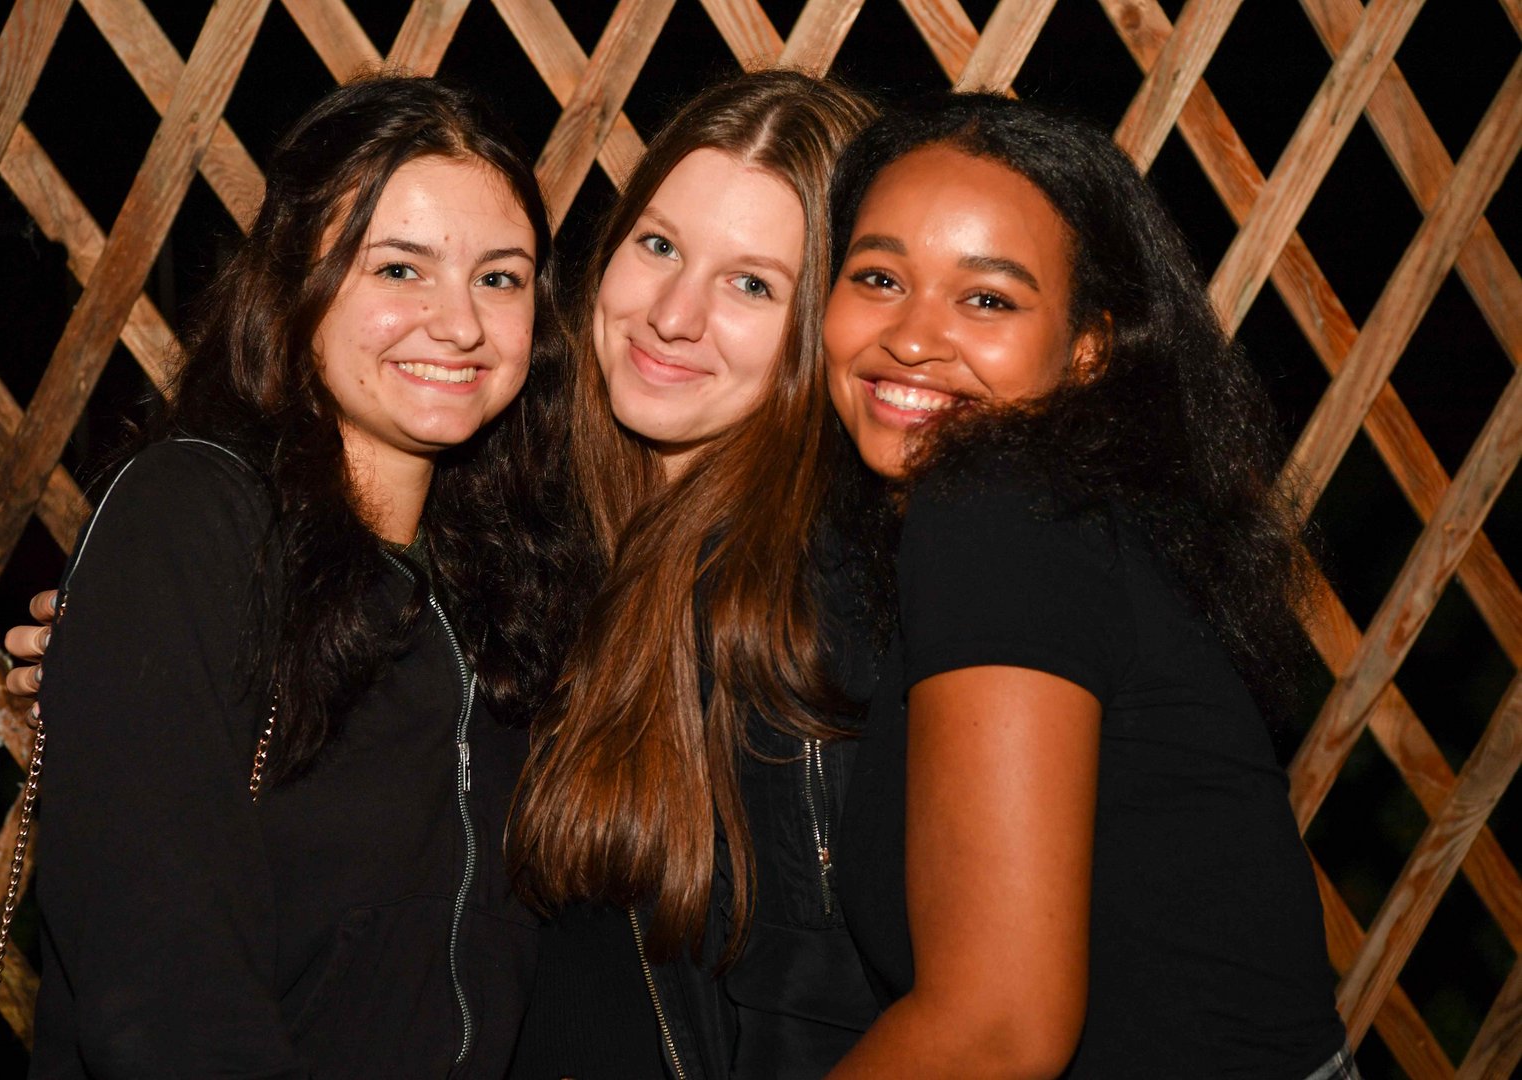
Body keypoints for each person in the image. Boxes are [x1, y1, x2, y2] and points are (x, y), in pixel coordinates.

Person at [26, 73, 587, 1077]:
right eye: (400, 269)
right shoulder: (194, 519)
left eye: (499, 279)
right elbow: (159, 992)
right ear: (295, 282)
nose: (460, 324)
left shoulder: (518, 576)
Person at [821, 93, 1353, 1078]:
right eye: (879, 277)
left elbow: (995, 1030)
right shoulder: (1071, 515)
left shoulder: (998, 509)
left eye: (988, 299)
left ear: (1088, 351)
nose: (913, 336)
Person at [505, 71, 887, 1079]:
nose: (673, 315)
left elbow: (818, 1017)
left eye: (752, 284)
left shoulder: (794, 601)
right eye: (660, 246)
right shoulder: (548, 516)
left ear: (821, 329)